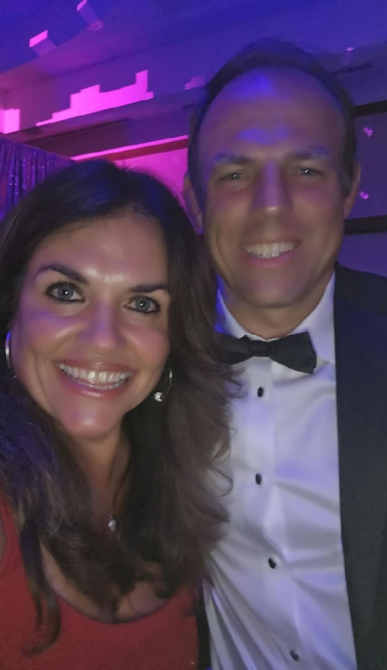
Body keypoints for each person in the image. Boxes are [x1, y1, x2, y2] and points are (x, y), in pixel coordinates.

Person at [184, 39, 387, 670]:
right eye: (234, 174)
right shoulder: (150, 362)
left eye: (306, 170)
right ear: (196, 202)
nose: (271, 203)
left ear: (349, 189)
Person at [0, 159, 232, 669]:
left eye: (143, 305)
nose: (104, 338)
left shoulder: (180, 481)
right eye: (66, 293)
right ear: (11, 307)